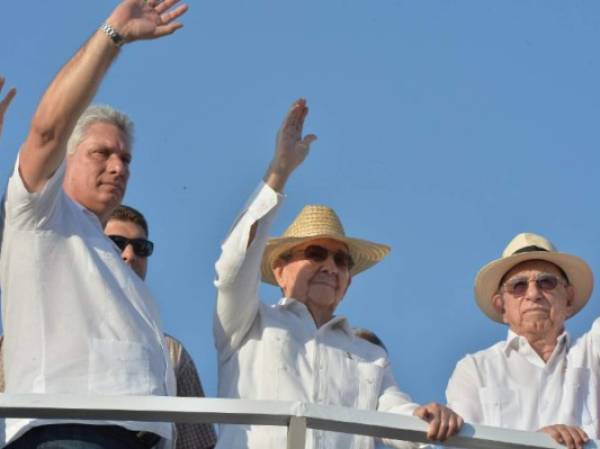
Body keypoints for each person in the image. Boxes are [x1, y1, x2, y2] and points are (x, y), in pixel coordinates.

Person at [214, 98, 464, 449]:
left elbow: (397, 412)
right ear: (279, 269)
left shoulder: (369, 355)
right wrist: (279, 172)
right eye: (315, 253)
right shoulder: (247, 324)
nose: (330, 266)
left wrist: (428, 417)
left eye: (342, 261)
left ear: (347, 283)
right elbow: (234, 266)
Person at [0, 1, 187, 448]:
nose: (118, 167)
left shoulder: (119, 267)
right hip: (67, 434)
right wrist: (114, 34)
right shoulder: (39, 213)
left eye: (125, 158)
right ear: (67, 159)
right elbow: (47, 129)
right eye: (101, 153)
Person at [446, 232, 599, 449]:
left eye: (546, 282)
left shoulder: (593, 354)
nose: (533, 293)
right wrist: (533, 444)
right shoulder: (474, 369)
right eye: (518, 286)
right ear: (502, 307)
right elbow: (461, 447)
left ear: (569, 299)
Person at [104, 205, 217, 449]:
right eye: (116, 243)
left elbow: (196, 443)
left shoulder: (172, 352)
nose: (129, 254)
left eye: (141, 248)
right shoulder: (51, 336)